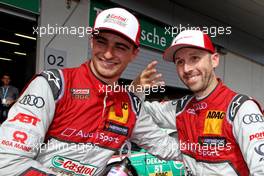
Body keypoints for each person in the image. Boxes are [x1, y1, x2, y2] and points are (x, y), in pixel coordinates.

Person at [0, 8, 180, 175]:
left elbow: (167, 147)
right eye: (102, 42)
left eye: (120, 47)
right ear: (91, 41)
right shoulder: (53, 84)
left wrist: (206, 145)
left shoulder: (131, 106)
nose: (108, 54)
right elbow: (7, 160)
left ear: (134, 53)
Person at [134, 30, 264, 175]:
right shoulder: (181, 108)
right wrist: (136, 88)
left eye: (194, 58)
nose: (187, 69)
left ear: (214, 60)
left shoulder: (241, 108)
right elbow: (135, 112)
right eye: (180, 62)